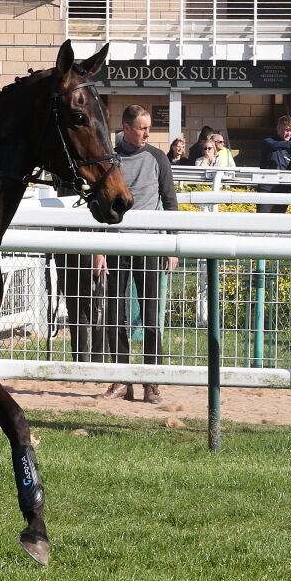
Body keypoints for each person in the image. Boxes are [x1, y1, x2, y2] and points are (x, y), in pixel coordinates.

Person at [96, 105, 178, 405]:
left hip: (149, 247)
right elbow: (103, 206)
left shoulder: (158, 158)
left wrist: (172, 245)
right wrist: (100, 250)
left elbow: (170, 202)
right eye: (142, 127)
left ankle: (151, 381)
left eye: (148, 127)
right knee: (115, 314)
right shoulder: (112, 159)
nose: (147, 132)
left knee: (151, 315)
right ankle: (121, 380)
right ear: (126, 128)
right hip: (117, 246)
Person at [257, 115, 291, 213]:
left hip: (283, 190)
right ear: (278, 128)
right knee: (262, 222)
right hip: (267, 189)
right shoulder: (268, 142)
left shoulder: (289, 151)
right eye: (286, 130)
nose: (289, 134)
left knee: (279, 222)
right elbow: (274, 145)